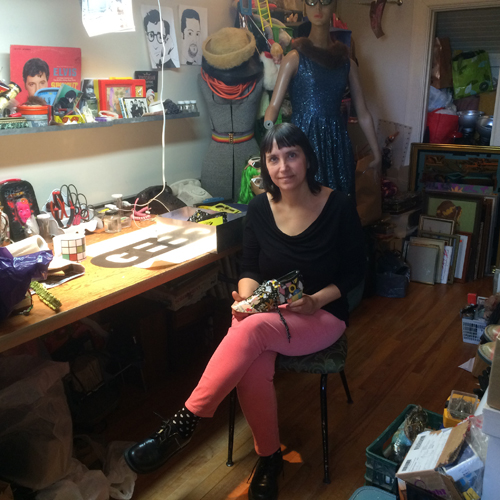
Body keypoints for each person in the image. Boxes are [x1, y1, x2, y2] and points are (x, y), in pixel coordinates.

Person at [124, 123, 365, 500]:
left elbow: (356, 272)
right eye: (273, 158)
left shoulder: (339, 205)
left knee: (250, 333)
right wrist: (247, 299)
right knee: (252, 355)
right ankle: (269, 459)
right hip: (271, 316)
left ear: (307, 158)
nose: (283, 166)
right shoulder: (258, 209)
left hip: (322, 315)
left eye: (291, 155)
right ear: (265, 167)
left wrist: (316, 300)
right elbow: (250, 268)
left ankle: (184, 423)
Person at [264, 0, 381, 198]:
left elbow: (363, 113)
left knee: (339, 202)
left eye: (325, 2)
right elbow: (273, 106)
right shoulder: (294, 58)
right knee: (304, 201)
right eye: (311, 2)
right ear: (305, 7)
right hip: (302, 141)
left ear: (333, 6)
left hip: (337, 144)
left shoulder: (347, 64)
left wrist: (377, 153)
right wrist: (270, 144)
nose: (318, 9)